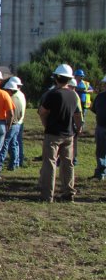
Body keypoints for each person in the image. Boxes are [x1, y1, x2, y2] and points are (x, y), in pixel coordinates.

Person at [38, 64, 82, 202]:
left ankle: (47, 195)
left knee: (49, 164)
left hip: (53, 134)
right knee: (68, 164)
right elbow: (77, 115)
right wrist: (79, 128)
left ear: (56, 78)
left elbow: (42, 112)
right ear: (69, 79)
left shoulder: (53, 94)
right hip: (68, 134)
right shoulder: (74, 95)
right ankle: (68, 192)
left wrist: (45, 124)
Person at [0, 77, 26, 171]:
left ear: (10, 90)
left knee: (4, 145)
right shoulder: (20, 96)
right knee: (14, 144)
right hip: (18, 124)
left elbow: (9, 114)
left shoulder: (11, 99)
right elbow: (21, 113)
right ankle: (14, 164)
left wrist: (7, 125)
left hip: (11, 124)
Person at [92, 75, 106, 181]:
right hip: (101, 127)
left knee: (101, 151)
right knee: (100, 151)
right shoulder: (100, 96)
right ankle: (101, 173)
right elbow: (95, 109)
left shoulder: (100, 96)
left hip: (101, 127)